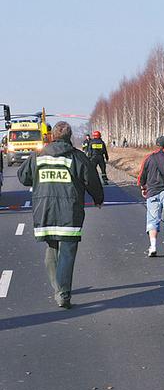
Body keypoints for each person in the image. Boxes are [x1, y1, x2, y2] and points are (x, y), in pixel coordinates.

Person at [17, 121, 104, 309]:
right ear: (69, 137)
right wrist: (98, 199)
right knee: (67, 251)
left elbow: (23, 177)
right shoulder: (77, 157)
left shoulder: (38, 156)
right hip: (69, 211)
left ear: (53, 136)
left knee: (51, 247)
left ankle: (58, 288)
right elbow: (92, 180)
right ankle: (63, 293)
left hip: (44, 208)